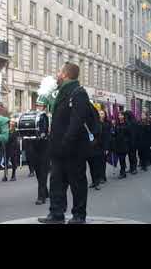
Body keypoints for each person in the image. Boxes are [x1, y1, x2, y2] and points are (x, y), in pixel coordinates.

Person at [38, 62, 93, 224]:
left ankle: (78, 215)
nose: (57, 74)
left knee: (77, 183)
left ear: (65, 74)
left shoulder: (78, 93)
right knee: (56, 182)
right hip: (58, 148)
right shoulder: (61, 92)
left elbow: (77, 122)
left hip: (73, 149)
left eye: (59, 71)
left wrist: (66, 143)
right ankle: (56, 213)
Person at [24, 93, 52, 204]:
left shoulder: (49, 117)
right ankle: (45, 191)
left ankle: (41, 197)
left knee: (43, 170)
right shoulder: (32, 116)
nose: (38, 107)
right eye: (37, 105)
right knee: (37, 171)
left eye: (41, 106)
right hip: (33, 146)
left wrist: (48, 132)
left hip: (45, 146)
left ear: (45, 107)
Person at [87, 104, 104, 190]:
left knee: (95, 165)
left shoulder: (97, 123)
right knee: (90, 165)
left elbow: (99, 134)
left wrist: (95, 140)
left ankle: (97, 181)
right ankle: (94, 181)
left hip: (95, 146)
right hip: (87, 146)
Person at [112, 112, 131, 179]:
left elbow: (129, 134)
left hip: (124, 144)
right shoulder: (117, 124)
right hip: (118, 144)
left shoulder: (127, 124)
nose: (120, 116)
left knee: (122, 158)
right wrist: (113, 129)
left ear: (124, 116)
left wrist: (127, 140)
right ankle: (123, 170)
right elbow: (114, 134)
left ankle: (122, 172)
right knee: (121, 159)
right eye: (119, 115)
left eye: (121, 115)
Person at [3, 117, 19, 182]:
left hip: (13, 148)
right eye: (11, 121)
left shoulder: (16, 131)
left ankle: (13, 175)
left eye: (13, 122)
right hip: (6, 147)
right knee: (5, 162)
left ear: (15, 123)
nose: (12, 123)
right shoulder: (7, 130)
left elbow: (14, 140)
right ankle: (5, 176)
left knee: (13, 162)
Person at [124, 110, 138, 175]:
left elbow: (133, 132)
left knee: (133, 155)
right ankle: (131, 168)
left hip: (133, 141)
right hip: (129, 141)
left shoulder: (133, 122)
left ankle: (134, 168)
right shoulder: (128, 121)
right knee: (130, 155)